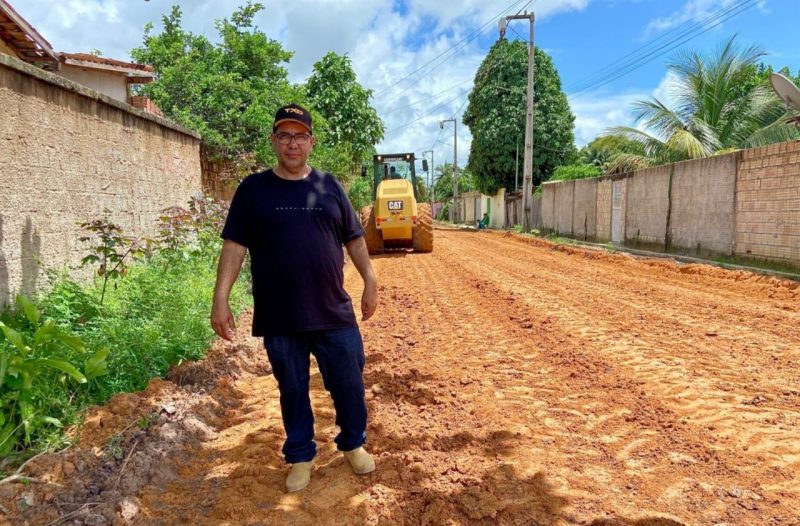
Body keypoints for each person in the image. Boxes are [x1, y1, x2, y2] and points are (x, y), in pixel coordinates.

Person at [211, 103, 379, 493]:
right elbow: (234, 247)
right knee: (292, 389)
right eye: (284, 135)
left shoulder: (328, 185)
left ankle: (353, 444)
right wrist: (221, 299)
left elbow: (354, 238)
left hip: (332, 310)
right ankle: (301, 455)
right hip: (280, 314)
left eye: (300, 136)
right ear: (273, 141)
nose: (292, 143)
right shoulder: (253, 190)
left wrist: (370, 281)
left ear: (310, 142)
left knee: (349, 382)